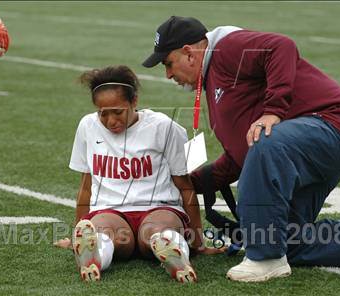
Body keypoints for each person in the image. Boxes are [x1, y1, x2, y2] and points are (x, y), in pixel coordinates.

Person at [142, 16, 340, 282]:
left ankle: (265, 259)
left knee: (265, 140)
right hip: (301, 147)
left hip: (332, 124)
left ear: (189, 53)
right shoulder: (213, 78)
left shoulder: (226, 49)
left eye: (168, 63)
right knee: (286, 240)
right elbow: (239, 158)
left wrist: (273, 111)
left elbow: (281, 46)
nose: (168, 74)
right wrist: (188, 183)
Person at [54, 65, 222, 283]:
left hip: (159, 207)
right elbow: (86, 186)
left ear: (134, 102)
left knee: (156, 230)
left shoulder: (164, 127)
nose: (110, 121)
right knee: (107, 234)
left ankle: (173, 250)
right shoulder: (87, 126)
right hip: (110, 210)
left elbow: (185, 186)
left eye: (117, 112)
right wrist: (78, 230)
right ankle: (94, 255)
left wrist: (197, 240)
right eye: (102, 113)